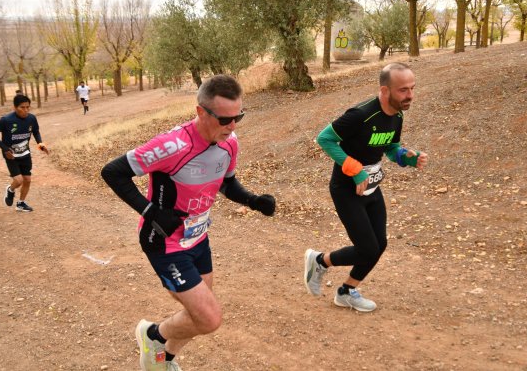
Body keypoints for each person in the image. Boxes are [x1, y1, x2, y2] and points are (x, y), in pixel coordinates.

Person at [101, 74, 276, 371]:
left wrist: (252, 200)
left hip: (198, 238)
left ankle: (163, 359)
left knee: (198, 314)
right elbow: (112, 171)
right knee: (209, 318)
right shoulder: (172, 146)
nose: (232, 127)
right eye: (225, 119)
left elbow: (227, 184)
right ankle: (152, 334)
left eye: (239, 117)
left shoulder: (229, 143)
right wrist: (151, 213)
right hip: (164, 242)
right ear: (200, 112)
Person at [304, 62, 428, 312]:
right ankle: (319, 261)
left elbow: (390, 147)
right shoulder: (360, 115)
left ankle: (346, 291)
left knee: (379, 244)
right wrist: (354, 169)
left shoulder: (397, 115)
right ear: (385, 91)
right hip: (346, 188)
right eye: (403, 90)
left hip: (371, 186)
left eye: (412, 88)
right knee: (367, 248)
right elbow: (324, 139)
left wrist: (406, 157)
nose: (410, 95)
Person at [0, 94, 49, 212]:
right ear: (14, 107)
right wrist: (4, 148)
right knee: (18, 180)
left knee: (27, 180)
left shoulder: (31, 118)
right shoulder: (6, 120)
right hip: (11, 155)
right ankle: (10, 190)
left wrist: (40, 144)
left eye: (28, 107)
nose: (26, 110)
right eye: (22, 107)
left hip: (25, 154)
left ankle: (21, 203)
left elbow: (36, 132)